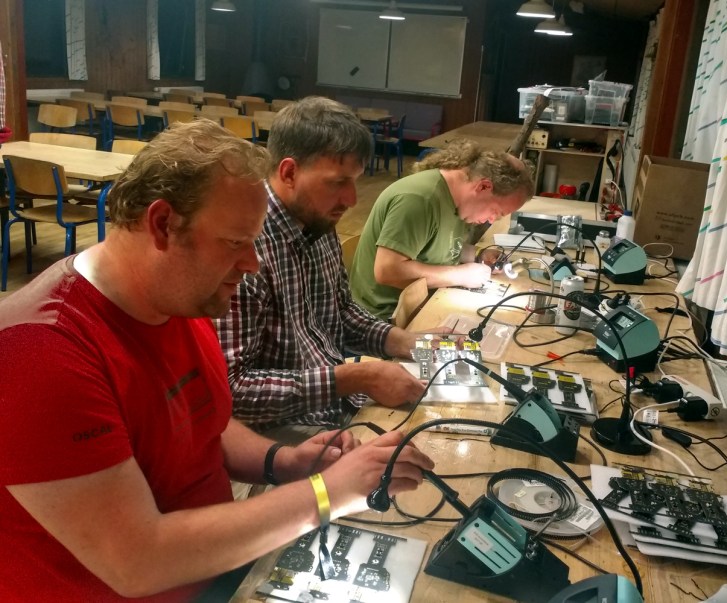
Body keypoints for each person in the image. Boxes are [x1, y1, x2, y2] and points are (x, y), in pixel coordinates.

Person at [0, 119, 433, 602]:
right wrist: (327, 494)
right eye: (234, 243)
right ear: (162, 224)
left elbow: (202, 418)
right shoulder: (37, 353)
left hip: (220, 569)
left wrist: (283, 462)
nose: (251, 264)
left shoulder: (178, 295)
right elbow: (138, 560)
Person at [215, 96, 426, 438]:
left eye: (354, 181)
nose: (352, 200)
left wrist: (402, 341)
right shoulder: (243, 247)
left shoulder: (316, 220)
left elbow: (339, 312)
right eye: (337, 182)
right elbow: (231, 391)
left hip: (335, 404)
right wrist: (355, 378)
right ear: (289, 172)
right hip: (278, 429)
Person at [350, 140, 535, 320]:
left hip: (420, 303)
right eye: (496, 212)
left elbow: (434, 243)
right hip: (383, 320)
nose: (491, 220)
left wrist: (476, 255)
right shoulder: (419, 200)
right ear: (483, 186)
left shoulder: (458, 201)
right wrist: (459, 275)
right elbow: (387, 271)